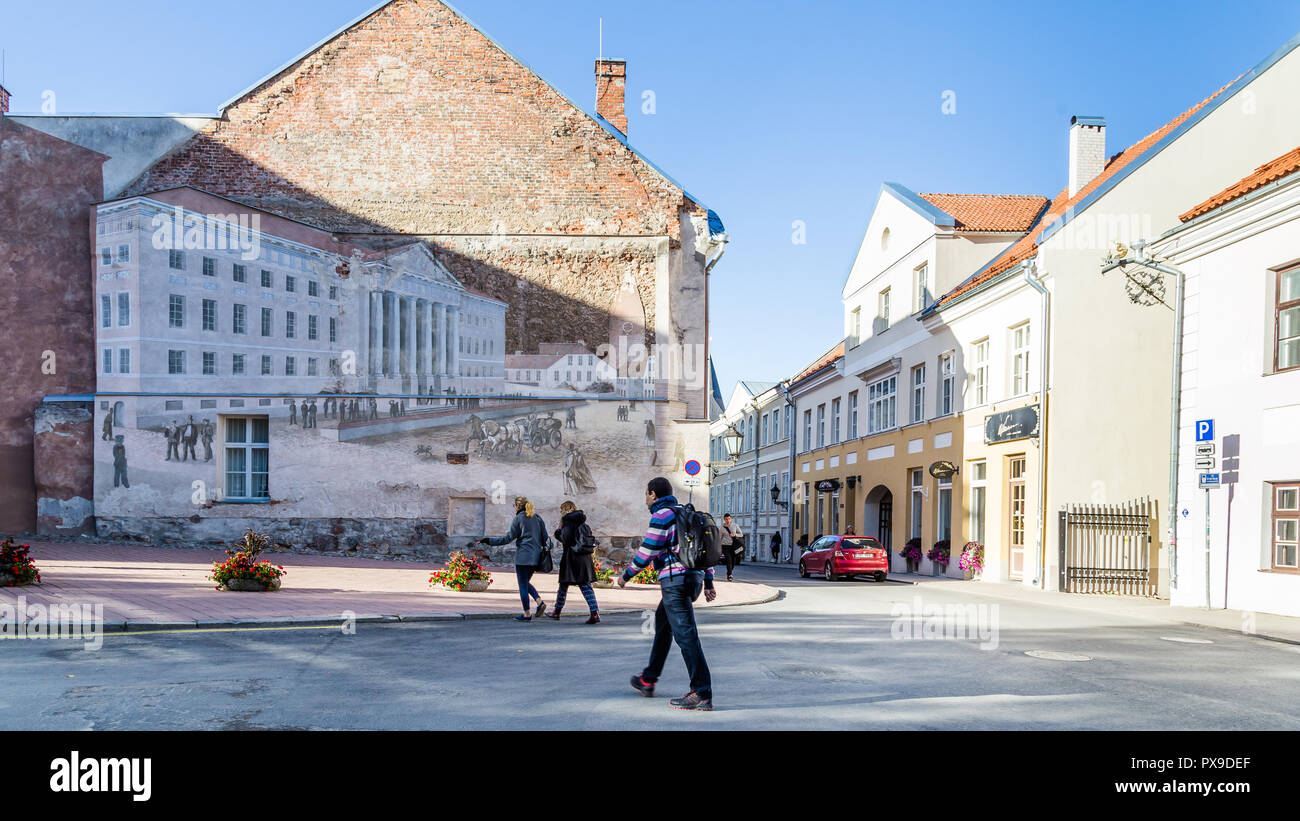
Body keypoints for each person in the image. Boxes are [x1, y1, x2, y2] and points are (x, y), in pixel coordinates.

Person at [622, 476, 716, 711]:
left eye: (646, 494)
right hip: (692, 578)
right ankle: (648, 679)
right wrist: (709, 581)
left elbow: (647, 552)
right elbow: (702, 547)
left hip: (675, 580)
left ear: (653, 494)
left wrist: (625, 576)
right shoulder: (686, 513)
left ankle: (702, 693)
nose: (645, 499)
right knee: (663, 627)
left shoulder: (662, 515)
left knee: (686, 636)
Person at [481, 496, 551, 621]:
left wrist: (489, 541)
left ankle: (527, 614)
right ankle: (539, 602)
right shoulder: (538, 518)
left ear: (518, 506)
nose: (514, 508)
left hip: (523, 557)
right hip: (536, 557)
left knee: (522, 585)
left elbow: (507, 539)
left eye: (514, 506)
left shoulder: (518, 518)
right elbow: (545, 538)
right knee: (525, 582)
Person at [547, 501, 600, 624]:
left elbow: (565, 538)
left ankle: (557, 612)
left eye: (561, 510)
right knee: (585, 586)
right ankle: (594, 613)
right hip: (585, 558)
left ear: (564, 510)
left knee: (564, 585)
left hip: (571, 558)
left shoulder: (568, 522)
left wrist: (558, 531)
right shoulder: (583, 523)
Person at [719, 513, 743, 582]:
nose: (727, 520)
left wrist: (734, 535)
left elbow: (741, 534)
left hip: (734, 546)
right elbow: (719, 537)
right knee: (728, 560)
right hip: (725, 546)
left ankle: (729, 572)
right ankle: (730, 575)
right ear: (724, 519)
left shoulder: (735, 525)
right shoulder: (722, 527)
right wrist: (719, 546)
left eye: (729, 519)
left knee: (733, 561)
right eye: (726, 519)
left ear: (731, 518)